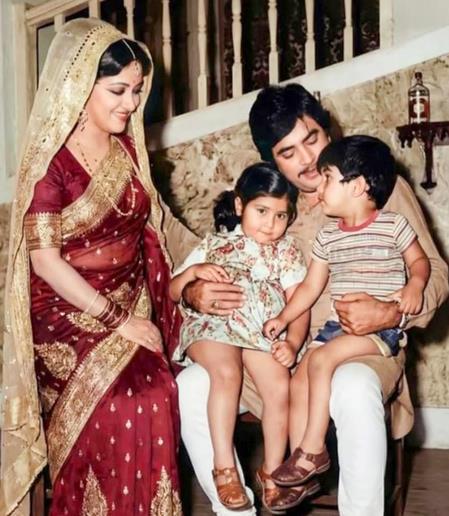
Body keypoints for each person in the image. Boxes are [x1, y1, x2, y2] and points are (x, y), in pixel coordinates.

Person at [176, 84, 448, 516]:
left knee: (352, 387)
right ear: (272, 161)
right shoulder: (270, 204)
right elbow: (212, 254)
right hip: (273, 360)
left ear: (329, 129)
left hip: (358, 347)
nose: (306, 160)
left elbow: (434, 271)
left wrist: (391, 312)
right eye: (288, 152)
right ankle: (235, 511)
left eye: (312, 139)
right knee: (193, 385)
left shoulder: (374, 186)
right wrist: (193, 291)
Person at [0, 18, 198, 515]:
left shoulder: (128, 150)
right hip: (65, 313)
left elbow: (158, 223)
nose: (131, 103)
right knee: (125, 400)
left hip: (132, 301)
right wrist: (119, 320)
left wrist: (211, 257)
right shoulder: (52, 164)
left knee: (156, 390)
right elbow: (45, 263)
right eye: (117, 90)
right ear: (78, 85)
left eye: (137, 90)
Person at [263, 135, 430, 492]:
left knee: (321, 360)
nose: (319, 187)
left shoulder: (393, 225)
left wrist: (415, 286)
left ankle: (313, 450)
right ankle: (300, 468)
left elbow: (420, 262)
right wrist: (284, 318)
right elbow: (310, 287)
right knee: (300, 377)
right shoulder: (328, 236)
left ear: (357, 186)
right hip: (337, 328)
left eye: (327, 178)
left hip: (377, 331)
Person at [170, 163, 315, 512]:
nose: (271, 224)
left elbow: (299, 305)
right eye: (261, 211)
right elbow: (174, 290)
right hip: (214, 326)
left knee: (279, 385)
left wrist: (292, 342)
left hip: (260, 330)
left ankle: (273, 472)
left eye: (281, 215)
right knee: (226, 374)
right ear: (239, 205)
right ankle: (225, 468)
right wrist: (193, 273)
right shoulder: (214, 243)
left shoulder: (287, 251)